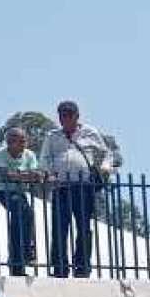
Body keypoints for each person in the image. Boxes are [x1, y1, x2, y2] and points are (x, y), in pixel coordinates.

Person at [40, 100, 116, 278]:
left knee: (84, 227)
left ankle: (82, 267)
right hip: (61, 187)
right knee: (59, 228)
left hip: (84, 187)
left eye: (68, 115)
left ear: (76, 116)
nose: (64, 119)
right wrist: (51, 174)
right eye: (61, 115)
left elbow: (107, 153)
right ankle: (59, 267)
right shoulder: (52, 136)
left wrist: (105, 168)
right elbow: (44, 158)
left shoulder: (90, 132)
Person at [0, 127, 45, 276]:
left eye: (24, 140)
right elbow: (5, 176)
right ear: (9, 142)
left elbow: (37, 176)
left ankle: (17, 263)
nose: (24, 144)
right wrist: (25, 175)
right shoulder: (0, 154)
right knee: (25, 212)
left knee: (21, 221)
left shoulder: (29, 154)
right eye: (20, 141)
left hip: (21, 192)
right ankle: (27, 252)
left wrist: (18, 175)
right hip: (5, 191)